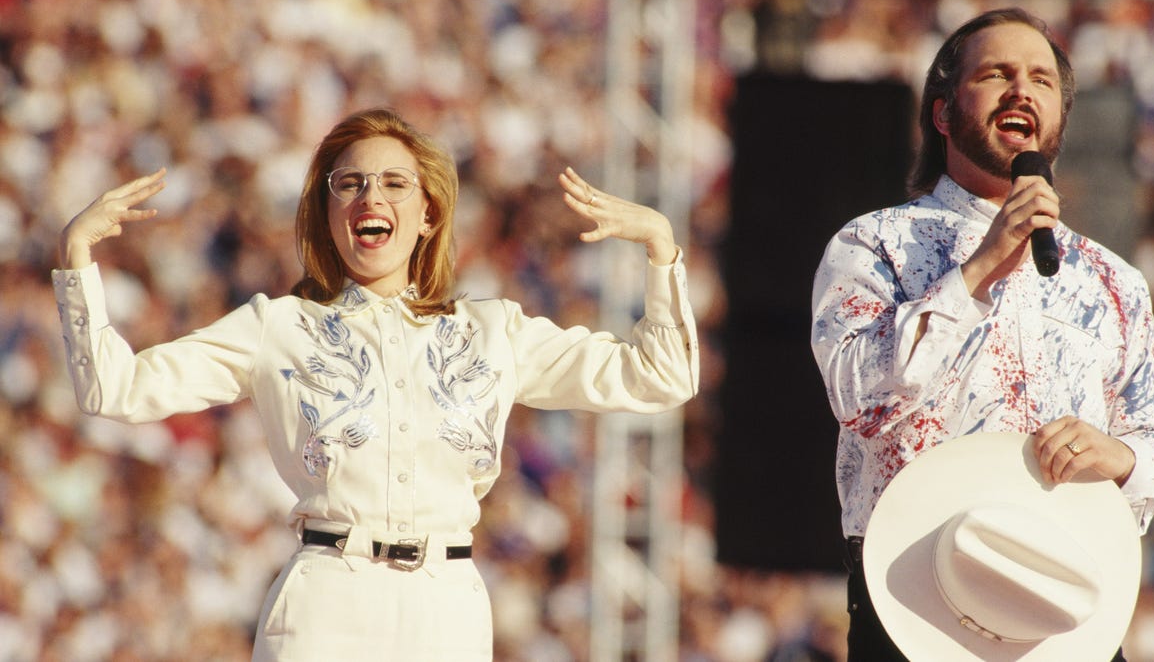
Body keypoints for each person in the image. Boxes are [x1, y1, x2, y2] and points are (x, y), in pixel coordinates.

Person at [52, 107, 699, 660]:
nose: (371, 198)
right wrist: (76, 260)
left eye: (395, 183)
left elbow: (662, 376)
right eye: (349, 184)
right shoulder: (279, 326)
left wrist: (661, 250)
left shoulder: (495, 330)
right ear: (327, 212)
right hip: (325, 603)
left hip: (447, 608)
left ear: (427, 213)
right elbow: (118, 387)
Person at [809, 8, 1154, 662]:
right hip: (916, 598)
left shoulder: (1113, 281)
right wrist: (979, 269)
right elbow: (860, 398)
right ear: (942, 112)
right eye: (996, 74)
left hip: (1063, 609)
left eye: (1041, 80)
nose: (1022, 90)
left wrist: (1116, 457)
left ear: (1059, 120)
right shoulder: (873, 244)